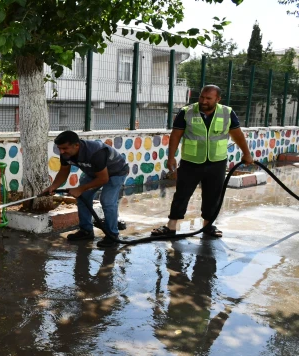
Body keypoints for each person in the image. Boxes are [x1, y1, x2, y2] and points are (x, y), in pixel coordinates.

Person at [151, 85, 253, 238]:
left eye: (208, 98)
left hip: (217, 162)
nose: (203, 101)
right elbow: (176, 135)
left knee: (213, 195)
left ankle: (208, 226)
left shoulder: (227, 113)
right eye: (202, 97)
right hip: (191, 161)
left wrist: (247, 154)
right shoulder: (187, 112)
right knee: (182, 194)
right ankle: (171, 226)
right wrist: (171, 157)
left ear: (218, 99)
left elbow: (237, 135)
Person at [42, 131, 129, 247]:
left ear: (76, 145)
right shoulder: (66, 154)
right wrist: (53, 187)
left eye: (64, 148)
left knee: (107, 201)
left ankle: (112, 235)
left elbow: (103, 179)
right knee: (83, 198)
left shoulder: (95, 152)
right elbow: (64, 171)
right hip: (94, 173)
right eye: (59, 148)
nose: (61, 152)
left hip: (116, 172)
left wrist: (80, 189)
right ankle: (86, 231)